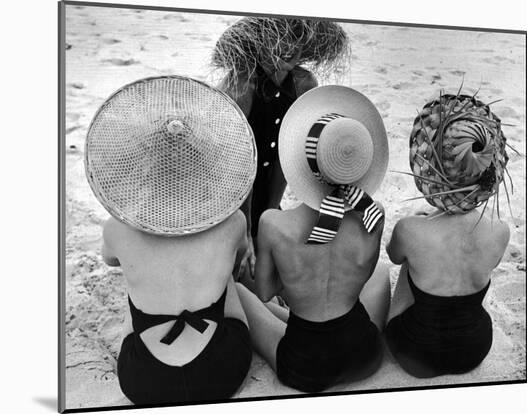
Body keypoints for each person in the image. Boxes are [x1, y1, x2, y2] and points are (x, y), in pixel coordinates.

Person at [84, 76, 256, 404]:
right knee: (226, 282)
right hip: (220, 372)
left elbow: (110, 259)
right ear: (209, 166)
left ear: (141, 164)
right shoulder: (232, 222)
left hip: (144, 380)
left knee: (136, 287)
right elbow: (240, 258)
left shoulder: (117, 228)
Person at [235, 86, 390, 392]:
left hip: (305, 366)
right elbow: (364, 276)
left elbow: (266, 291)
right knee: (382, 274)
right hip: (364, 354)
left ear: (303, 164)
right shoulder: (373, 214)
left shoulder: (274, 223)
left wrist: (298, 281)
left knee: (240, 292)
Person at [211, 17, 350, 280]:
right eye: (276, 37)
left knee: (269, 227)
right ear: (257, 41)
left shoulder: (304, 83)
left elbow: (289, 153)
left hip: (273, 169)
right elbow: (235, 163)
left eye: (296, 36)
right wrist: (247, 233)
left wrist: (269, 217)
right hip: (233, 179)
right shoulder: (242, 85)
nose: (288, 45)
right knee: (239, 260)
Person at [384, 93, 511, 378]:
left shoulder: (409, 229)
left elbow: (394, 256)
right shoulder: (500, 231)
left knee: (410, 259)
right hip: (476, 348)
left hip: (414, 354)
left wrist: (425, 224)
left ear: (430, 169)